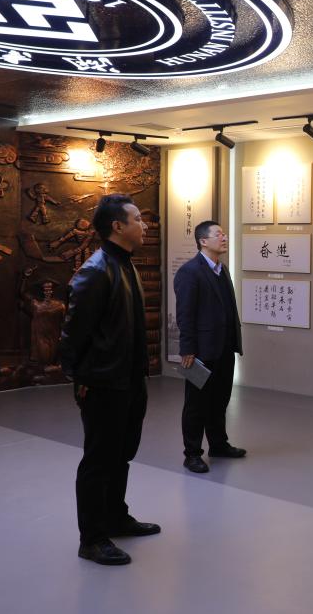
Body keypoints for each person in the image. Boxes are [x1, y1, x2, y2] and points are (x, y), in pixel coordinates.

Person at [60, 194, 159, 566]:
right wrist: (81, 378)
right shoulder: (96, 270)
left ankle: (116, 517)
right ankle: (92, 538)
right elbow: (73, 334)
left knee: (122, 455)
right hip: (102, 382)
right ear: (118, 226)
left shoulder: (125, 264)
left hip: (129, 380)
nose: (144, 225)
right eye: (137, 219)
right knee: (99, 460)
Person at [174, 221, 245, 474]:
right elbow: (185, 314)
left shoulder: (221, 269)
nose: (224, 238)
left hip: (224, 347)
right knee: (196, 404)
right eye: (218, 234)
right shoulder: (189, 272)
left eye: (224, 234)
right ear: (203, 241)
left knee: (220, 400)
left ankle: (218, 444)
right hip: (200, 351)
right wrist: (187, 349)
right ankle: (192, 454)